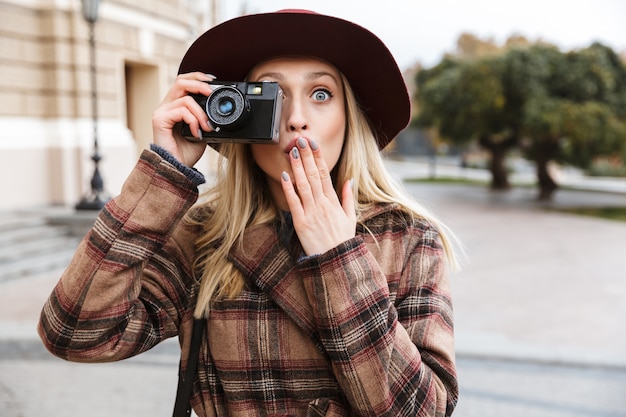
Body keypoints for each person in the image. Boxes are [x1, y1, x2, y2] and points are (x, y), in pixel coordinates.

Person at [38, 9, 459, 417]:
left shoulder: (406, 239)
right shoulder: (204, 238)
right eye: (271, 95)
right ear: (240, 119)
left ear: (350, 119)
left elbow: (422, 410)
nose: (296, 120)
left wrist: (338, 258)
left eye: (321, 94)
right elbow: (74, 333)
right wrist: (164, 172)